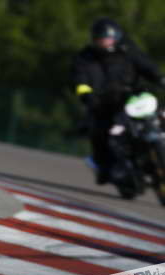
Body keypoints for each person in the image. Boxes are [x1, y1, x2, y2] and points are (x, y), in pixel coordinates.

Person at [72, 17, 165, 184]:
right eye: (102, 39)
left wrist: (159, 78)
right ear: (95, 40)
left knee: (158, 112)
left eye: (109, 38)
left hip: (133, 96)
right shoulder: (85, 57)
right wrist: (87, 95)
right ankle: (104, 167)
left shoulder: (127, 49)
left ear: (116, 37)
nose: (106, 41)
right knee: (99, 131)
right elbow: (80, 80)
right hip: (104, 103)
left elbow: (145, 65)